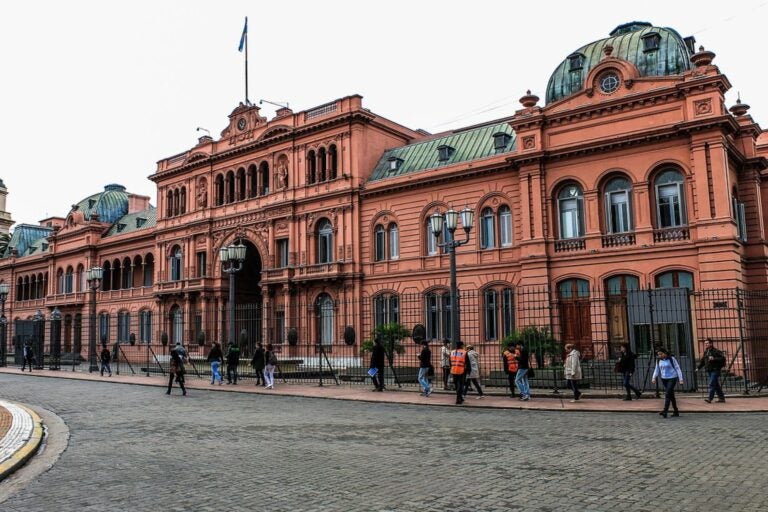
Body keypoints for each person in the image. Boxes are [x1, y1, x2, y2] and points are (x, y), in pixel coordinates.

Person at [652, 348, 684, 418]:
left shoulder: (671, 359)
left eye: (661, 354)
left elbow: (677, 368)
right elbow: (657, 369)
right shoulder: (658, 360)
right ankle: (676, 411)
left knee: (667, 393)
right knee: (671, 395)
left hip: (672, 377)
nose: (660, 355)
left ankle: (665, 411)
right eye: (658, 354)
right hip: (664, 379)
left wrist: (681, 379)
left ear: (665, 353)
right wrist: (654, 377)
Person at [698, 338, 726, 403]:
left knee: (712, 384)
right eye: (705, 343)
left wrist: (714, 358)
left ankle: (710, 398)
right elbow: (703, 361)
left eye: (707, 343)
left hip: (715, 370)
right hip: (709, 370)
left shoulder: (715, 351)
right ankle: (721, 398)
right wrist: (698, 368)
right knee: (716, 385)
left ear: (711, 343)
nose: (706, 345)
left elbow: (722, 358)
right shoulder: (706, 352)